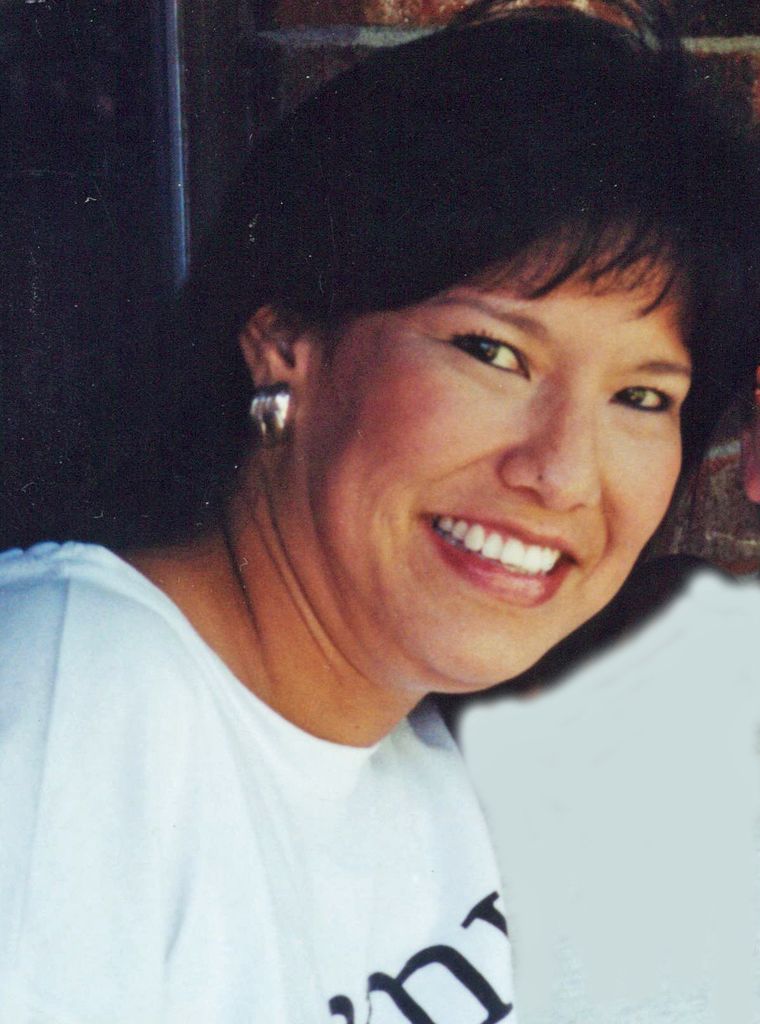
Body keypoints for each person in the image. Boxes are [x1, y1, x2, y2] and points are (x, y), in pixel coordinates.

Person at [1, 1, 759, 1021]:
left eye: (641, 396)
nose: (562, 473)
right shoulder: (70, 691)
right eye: (493, 352)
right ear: (286, 342)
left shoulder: (416, 756)